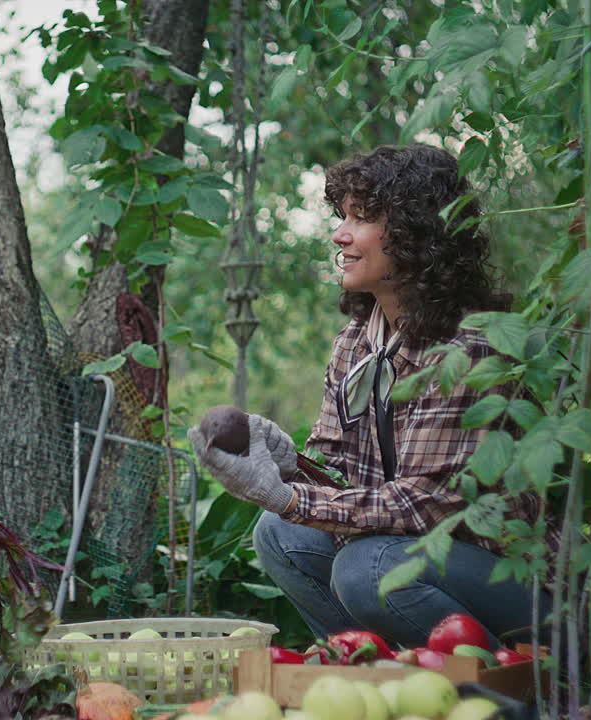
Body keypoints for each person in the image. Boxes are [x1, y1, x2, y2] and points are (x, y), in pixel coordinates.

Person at [189, 145, 550, 651]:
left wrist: (289, 496)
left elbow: (427, 505)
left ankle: (503, 696)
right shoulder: (356, 343)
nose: (340, 234)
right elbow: (342, 477)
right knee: (278, 534)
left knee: (369, 566)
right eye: (342, 216)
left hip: (519, 583)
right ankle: (380, 678)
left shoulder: (467, 349)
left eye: (362, 217)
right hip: (421, 558)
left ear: (417, 232)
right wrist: (292, 466)